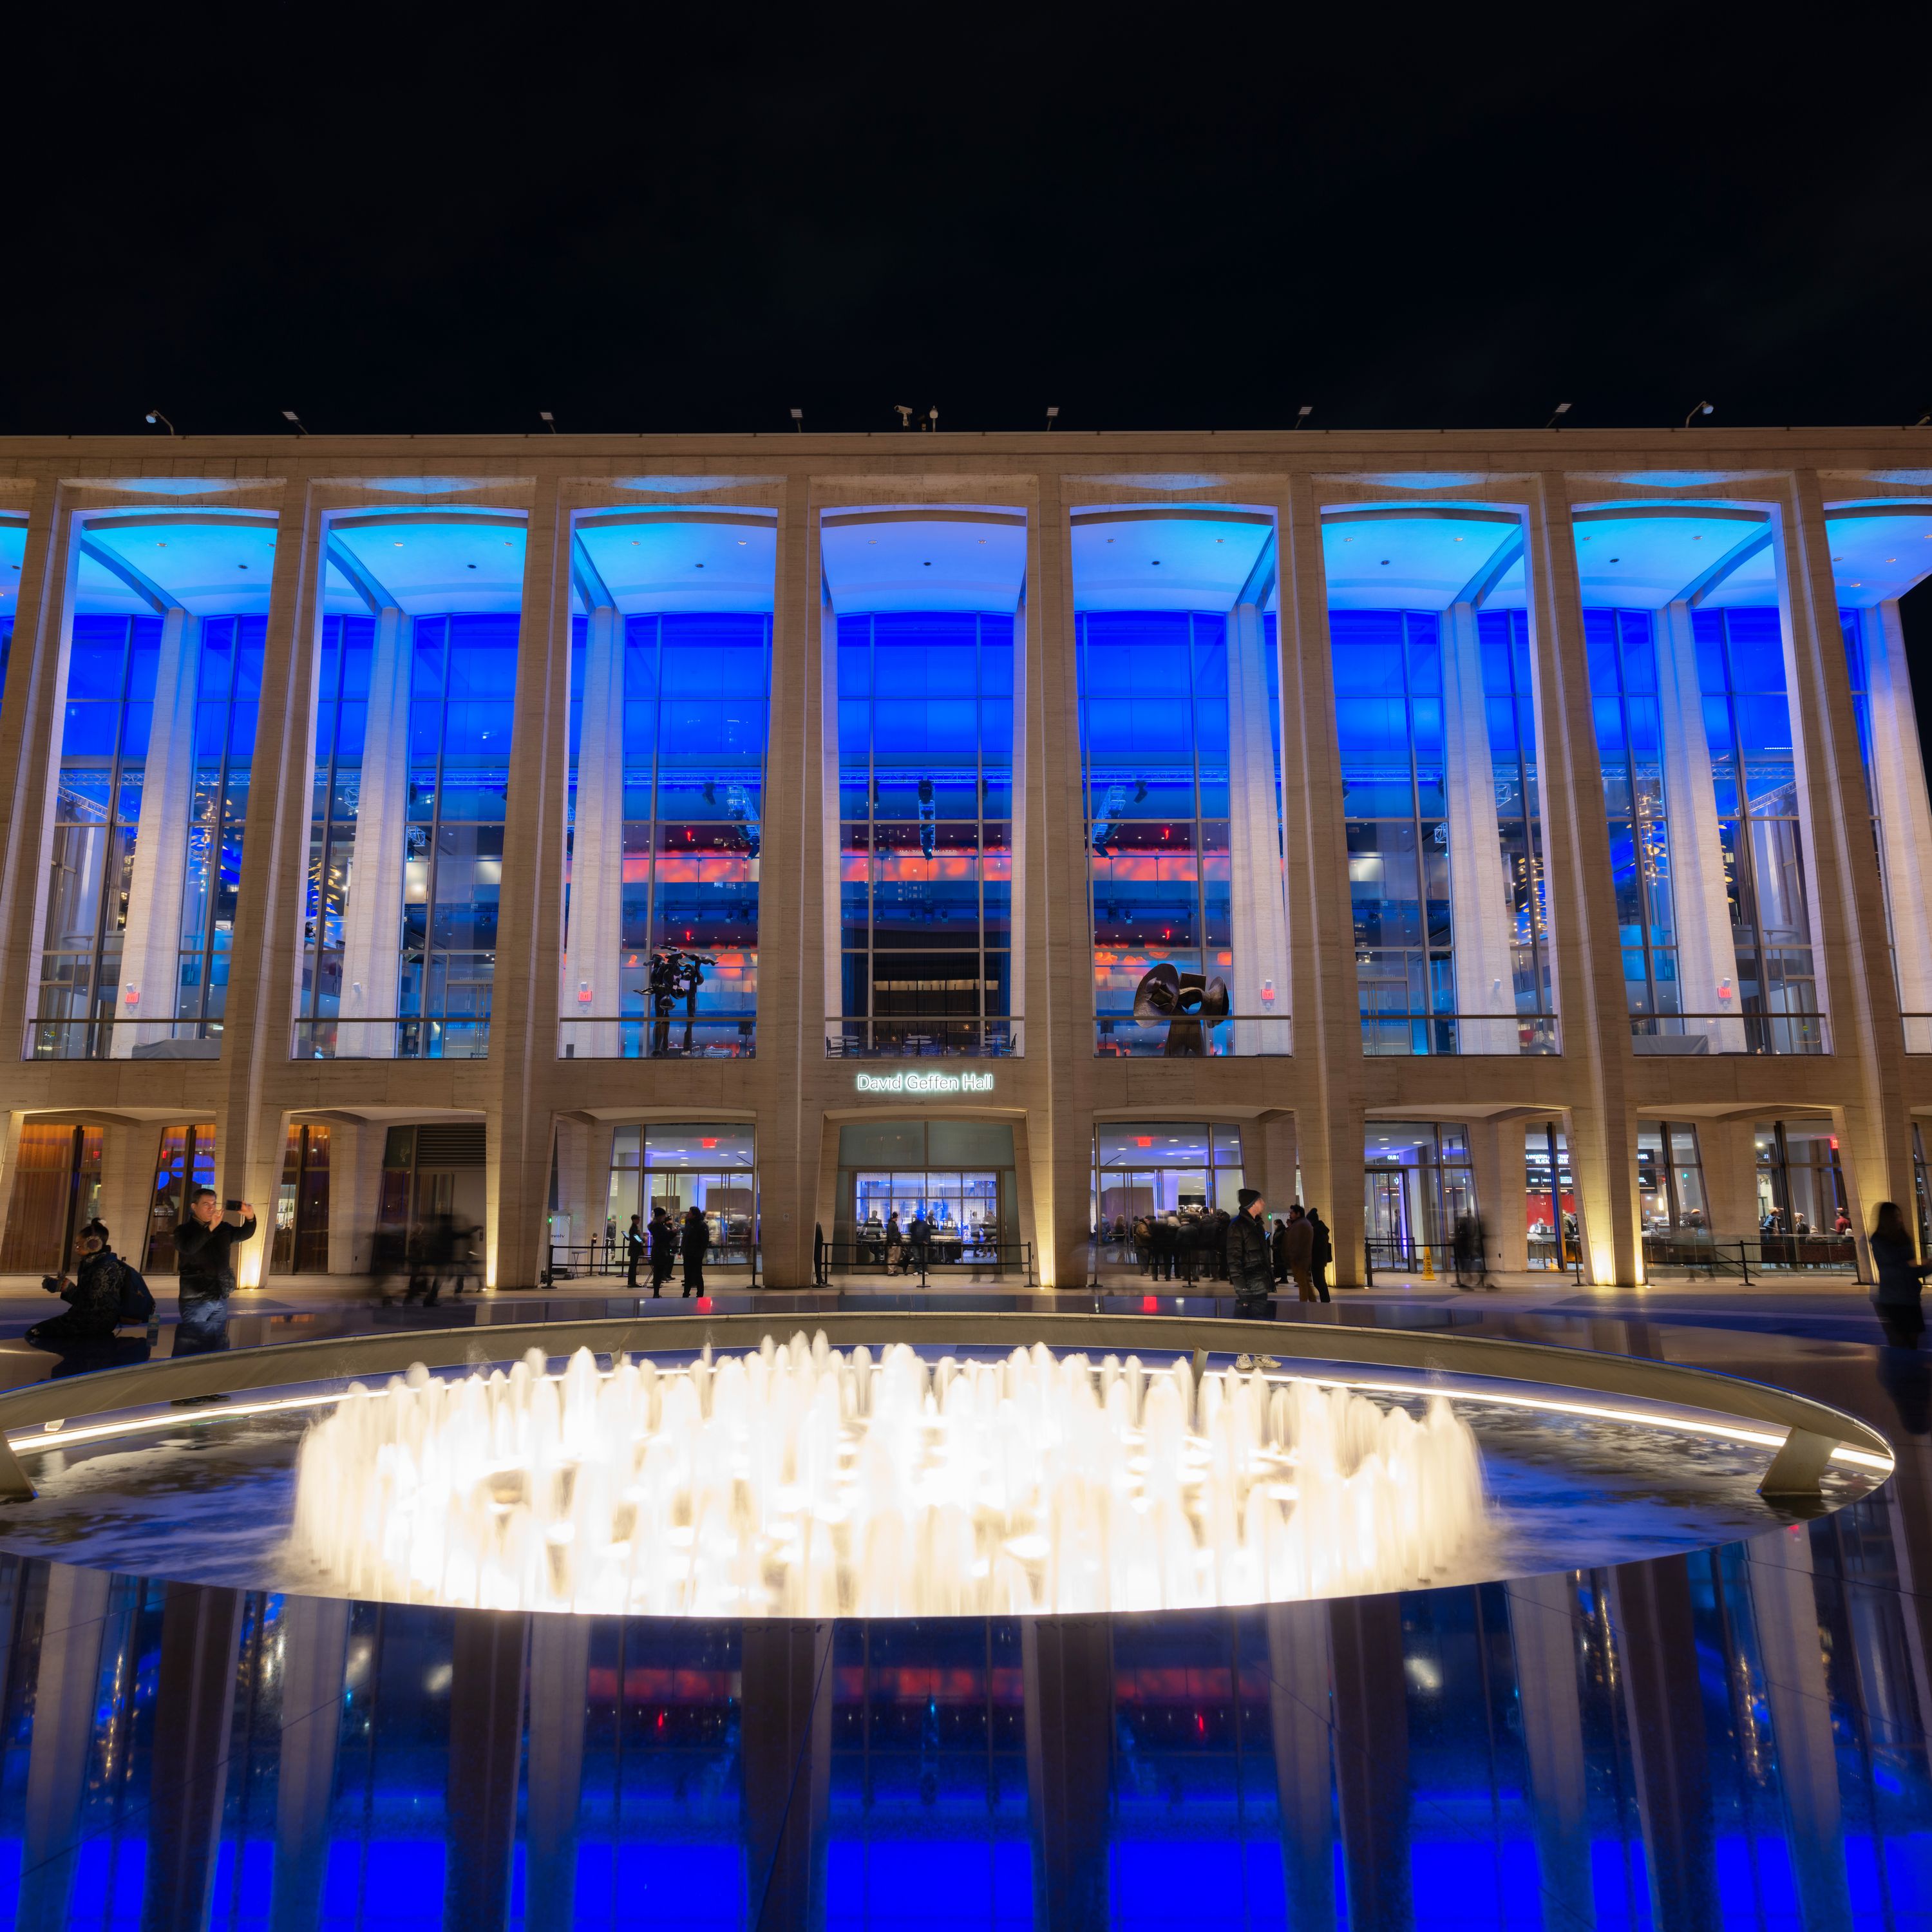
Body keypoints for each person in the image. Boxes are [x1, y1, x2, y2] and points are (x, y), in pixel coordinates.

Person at [174, 1189, 255, 1359]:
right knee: (192, 1344)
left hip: (219, 1294)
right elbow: (189, 1248)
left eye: (213, 1204)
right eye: (206, 1204)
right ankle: (187, 1378)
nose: (211, 1208)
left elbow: (244, 1234)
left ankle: (212, 1377)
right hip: (196, 1297)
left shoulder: (222, 1228)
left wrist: (250, 1217)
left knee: (217, 1342)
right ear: (194, 1207)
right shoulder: (184, 1230)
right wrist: (210, 1228)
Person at [28, 1220, 126, 1349]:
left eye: (79, 1245)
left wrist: (67, 1288)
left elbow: (92, 1306)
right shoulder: (94, 1264)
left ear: (93, 1244)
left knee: (36, 1332)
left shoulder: (104, 1268)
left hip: (95, 1322)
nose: (76, 1249)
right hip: (92, 1320)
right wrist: (64, 1287)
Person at [1870, 1201, 1930, 1349]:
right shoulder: (1879, 1240)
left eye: (1899, 1216)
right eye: (1895, 1216)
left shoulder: (1903, 1237)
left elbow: (1906, 1267)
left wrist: (1923, 1268)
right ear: (1887, 1218)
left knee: (1912, 1339)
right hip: (1894, 1298)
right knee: (1902, 1341)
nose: (1899, 1219)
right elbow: (1897, 1267)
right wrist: (1922, 1267)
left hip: (1910, 1296)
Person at [1226, 1189, 1272, 1302]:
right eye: (1260, 1200)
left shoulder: (1257, 1224)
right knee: (1253, 1317)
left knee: (1264, 1317)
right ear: (1253, 1204)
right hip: (1249, 1286)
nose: (1263, 1203)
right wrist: (1241, 1286)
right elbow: (1233, 1258)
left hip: (1260, 1283)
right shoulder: (1238, 1226)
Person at [1280, 1204, 1316, 1302]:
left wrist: (1292, 1256)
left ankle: (1303, 1303)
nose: (1290, 1215)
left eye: (1292, 1213)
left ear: (1298, 1214)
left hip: (1299, 1259)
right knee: (1304, 1282)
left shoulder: (1301, 1225)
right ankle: (1313, 1301)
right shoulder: (1302, 1223)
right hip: (1301, 1258)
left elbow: (1297, 1243)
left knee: (1302, 1284)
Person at [1305, 1208, 1334, 1304]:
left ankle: (1325, 1300)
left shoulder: (1317, 1231)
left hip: (1317, 1259)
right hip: (1320, 1259)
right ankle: (1325, 1300)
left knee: (1319, 1282)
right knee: (1320, 1281)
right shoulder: (1321, 1229)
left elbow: (1315, 1246)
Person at [680, 1205, 709, 1296]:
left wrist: (700, 1253)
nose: (688, 1215)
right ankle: (686, 1293)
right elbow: (685, 1238)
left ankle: (700, 1294)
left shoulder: (702, 1225)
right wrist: (683, 1250)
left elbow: (704, 1241)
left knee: (698, 1275)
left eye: (689, 1213)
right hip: (688, 1254)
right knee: (687, 1275)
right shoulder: (689, 1224)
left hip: (696, 1255)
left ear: (694, 1215)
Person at [649, 1206, 677, 1296]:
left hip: (657, 1251)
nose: (665, 1217)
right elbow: (664, 1238)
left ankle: (656, 1293)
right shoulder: (659, 1227)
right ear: (660, 1216)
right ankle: (656, 1293)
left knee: (658, 1273)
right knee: (658, 1273)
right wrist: (673, 1233)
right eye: (664, 1216)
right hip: (660, 1252)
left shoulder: (654, 1226)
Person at [909, 1210, 933, 1278]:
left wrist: (926, 1241)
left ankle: (924, 1270)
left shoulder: (923, 1224)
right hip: (916, 1242)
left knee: (923, 1257)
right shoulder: (917, 1224)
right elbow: (912, 1233)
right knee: (917, 1257)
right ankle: (918, 1270)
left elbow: (928, 1233)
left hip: (922, 1242)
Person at [625, 1213, 645, 1289]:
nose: (639, 1221)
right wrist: (643, 1240)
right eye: (638, 1219)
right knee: (633, 1266)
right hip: (635, 1249)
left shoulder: (634, 1228)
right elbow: (636, 1238)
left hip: (634, 1249)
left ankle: (632, 1281)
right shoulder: (633, 1228)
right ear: (634, 1220)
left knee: (633, 1265)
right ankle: (632, 1282)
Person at [1271, 1215, 1289, 1285]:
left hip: (1280, 1251)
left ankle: (1284, 1278)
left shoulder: (1283, 1231)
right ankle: (1281, 1277)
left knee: (1282, 1264)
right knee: (1278, 1264)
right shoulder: (1278, 1231)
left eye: (1275, 1224)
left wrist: (1278, 1247)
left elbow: (1283, 1242)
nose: (1275, 1226)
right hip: (1276, 1251)